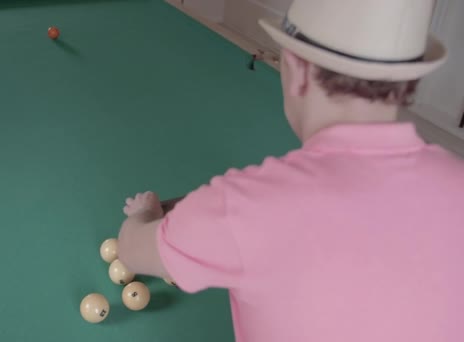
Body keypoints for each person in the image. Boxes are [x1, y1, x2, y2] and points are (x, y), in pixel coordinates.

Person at [117, 0, 464, 341]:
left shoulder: (244, 205)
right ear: (408, 86)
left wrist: (144, 212)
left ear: (296, 71)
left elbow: (131, 250)